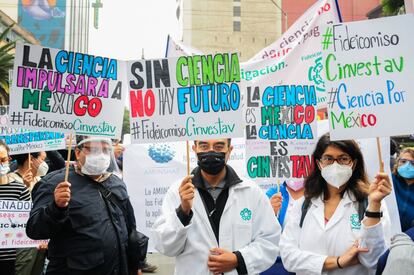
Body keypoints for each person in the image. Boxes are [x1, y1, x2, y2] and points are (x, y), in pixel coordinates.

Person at [152, 138, 281, 275]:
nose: (211, 152)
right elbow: (165, 246)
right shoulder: (177, 192)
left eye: (219, 146)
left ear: (229, 150)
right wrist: (183, 211)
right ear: (194, 149)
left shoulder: (251, 191)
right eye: (204, 146)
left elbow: (269, 241)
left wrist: (239, 259)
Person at [26, 136, 143, 275]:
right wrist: (56, 208)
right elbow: (35, 229)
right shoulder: (55, 184)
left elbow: (130, 227)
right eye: (93, 149)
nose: (100, 155)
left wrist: (136, 265)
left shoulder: (117, 183)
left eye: (106, 150)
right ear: (77, 152)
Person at [280, 133, 391, 275]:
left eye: (343, 159)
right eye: (328, 159)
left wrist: (374, 206)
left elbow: (374, 261)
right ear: (319, 163)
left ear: (354, 163)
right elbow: (288, 257)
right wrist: (336, 262)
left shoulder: (371, 203)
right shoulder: (304, 204)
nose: (335, 165)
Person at [9, 152, 49, 275]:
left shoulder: (40, 180)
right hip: (21, 241)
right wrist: (25, 188)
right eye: (42, 159)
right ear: (31, 159)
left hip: (40, 240)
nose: (44, 164)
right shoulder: (10, 179)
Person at [0, 141, 31, 274]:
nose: (1, 164)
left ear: (9, 159)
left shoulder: (20, 190)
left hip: (10, 260)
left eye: (3, 159)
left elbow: (29, 224)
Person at [391, 147, 414, 231]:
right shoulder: (390, 180)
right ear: (397, 162)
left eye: (413, 163)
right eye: (403, 161)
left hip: (409, 238)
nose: (407, 166)